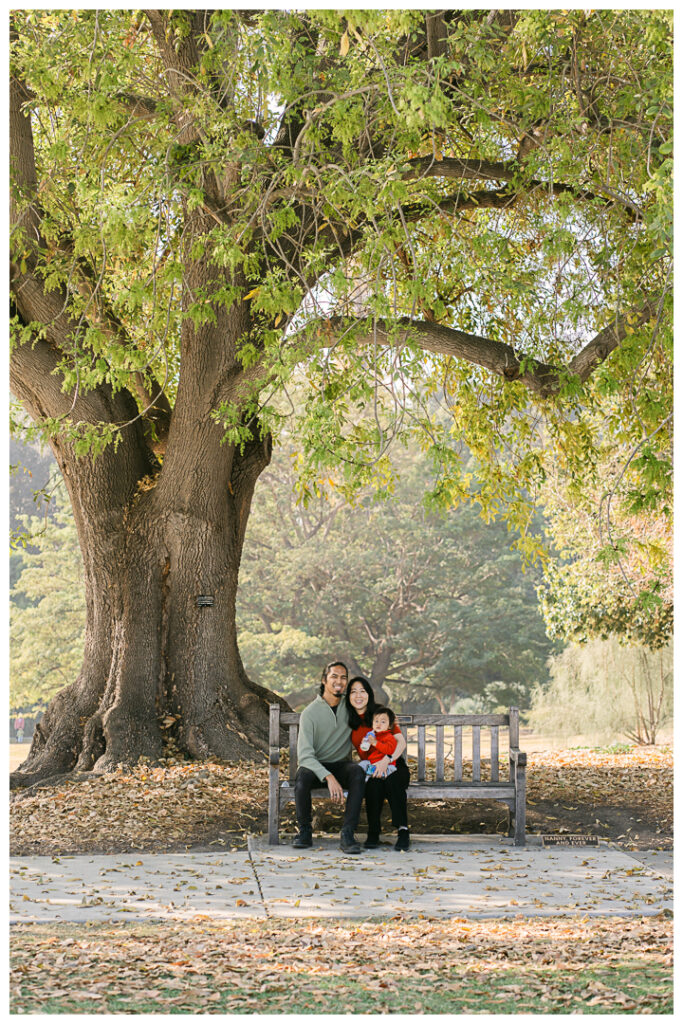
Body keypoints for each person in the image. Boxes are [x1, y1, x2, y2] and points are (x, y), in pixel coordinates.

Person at [293, 661, 366, 854]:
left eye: (343, 677)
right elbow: (305, 756)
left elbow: (373, 717)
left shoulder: (350, 708)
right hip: (316, 768)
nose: (339, 681)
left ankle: (348, 834)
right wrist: (328, 777)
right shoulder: (309, 713)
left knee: (358, 772)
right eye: (334, 676)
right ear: (324, 680)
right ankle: (305, 831)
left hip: (341, 765)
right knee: (302, 778)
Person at [345, 677, 411, 851]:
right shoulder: (348, 718)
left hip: (394, 763)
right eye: (353, 692)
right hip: (372, 766)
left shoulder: (381, 715)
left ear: (369, 694)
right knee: (373, 785)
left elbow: (401, 743)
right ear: (348, 696)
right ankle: (373, 831)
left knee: (392, 781)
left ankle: (403, 831)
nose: (358, 695)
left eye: (362, 691)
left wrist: (387, 759)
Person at [357, 706, 398, 778]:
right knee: (362, 764)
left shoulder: (389, 737)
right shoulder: (372, 736)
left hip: (387, 766)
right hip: (372, 764)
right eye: (376, 721)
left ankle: (371, 778)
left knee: (390, 771)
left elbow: (390, 751)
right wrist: (363, 746)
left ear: (390, 726)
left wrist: (375, 743)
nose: (378, 724)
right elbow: (364, 755)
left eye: (383, 722)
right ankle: (367, 779)